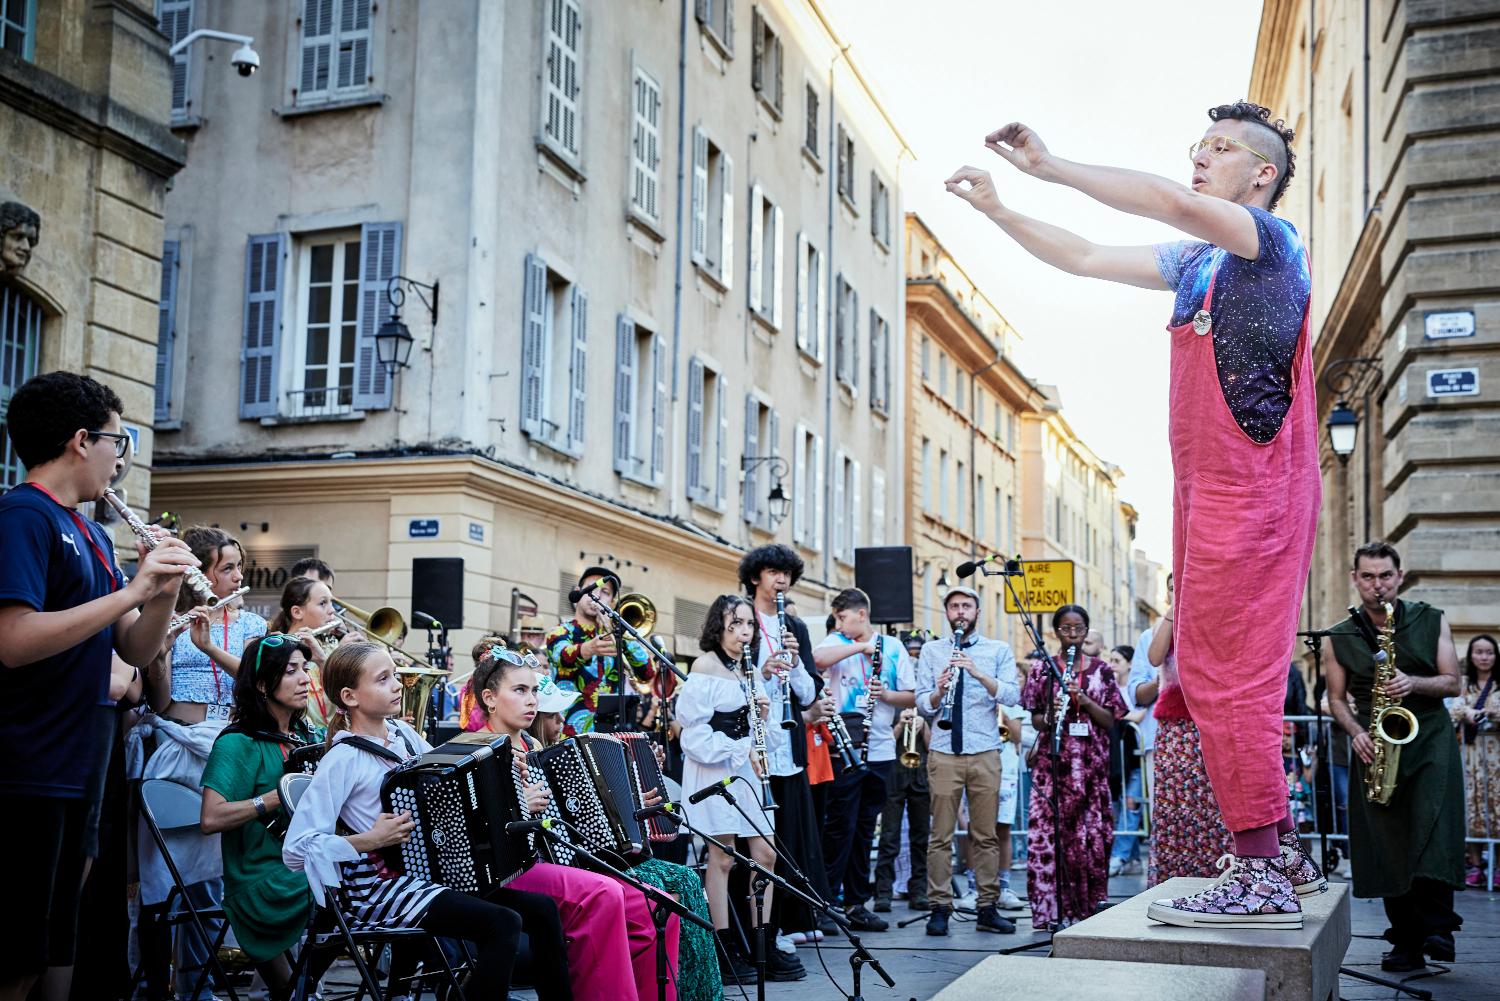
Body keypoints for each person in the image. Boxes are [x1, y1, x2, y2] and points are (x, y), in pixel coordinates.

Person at [948, 102, 1321, 925]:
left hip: (1250, 488)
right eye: (1197, 146)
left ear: (1261, 174)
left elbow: (1175, 203)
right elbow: (1082, 254)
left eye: (1220, 149)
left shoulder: (1269, 241)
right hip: (1208, 489)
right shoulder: (1197, 265)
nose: (1200, 159)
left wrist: (1051, 166)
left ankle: (1260, 869)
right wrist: (1003, 209)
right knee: (1207, 665)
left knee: (1232, 676)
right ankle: (1278, 854)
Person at [0, 371, 196, 1001]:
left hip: (84, 757)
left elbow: (134, 647)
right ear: (82, 441)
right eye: (119, 441)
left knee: (58, 943)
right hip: (28, 763)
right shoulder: (22, 516)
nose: (121, 459)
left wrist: (159, 595)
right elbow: (14, 639)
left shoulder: (91, 532)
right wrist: (133, 591)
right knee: (15, 952)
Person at [282, 641, 565, 1000]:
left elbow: (452, 788)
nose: (398, 685)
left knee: (542, 911)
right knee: (503, 923)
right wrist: (368, 839)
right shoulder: (342, 758)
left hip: (426, 873)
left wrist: (508, 783)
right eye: (383, 679)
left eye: (395, 676)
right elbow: (295, 850)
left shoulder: (404, 736)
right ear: (350, 696)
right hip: (376, 888)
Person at [463, 645, 688, 1001]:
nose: (531, 700)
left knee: (661, 908)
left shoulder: (537, 745)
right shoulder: (474, 749)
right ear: (489, 698)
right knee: (603, 894)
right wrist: (518, 808)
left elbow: (577, 813)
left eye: (534, 690)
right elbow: (473, 833)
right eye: (520, 691)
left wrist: (627, 804)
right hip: (513, 867)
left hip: (560, 859)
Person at [1323, 541, 1466, 972]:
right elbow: (1336, 699)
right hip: (1375, 739)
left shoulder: (1431, 619)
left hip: (1429, 738)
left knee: (1434, 827)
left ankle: (1438, 927)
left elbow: (1453, 683)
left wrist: (1413, 684)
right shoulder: (1338, 635)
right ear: (1355, 579)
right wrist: (1356, 732)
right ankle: (1405, 941)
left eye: (1385, 576)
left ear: (1399, 577)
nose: (1377, 585)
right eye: (1368, 577)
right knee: (1387, 841)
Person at [676, 594, 792, 985]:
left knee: (766, 855)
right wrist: (742, 745)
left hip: (747, 771)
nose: (744, 632)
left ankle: (763, 943)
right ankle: (723, 946)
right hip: (715, 773)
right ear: (718, 626)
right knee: (721, 858)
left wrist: (763, 716)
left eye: (748, 625)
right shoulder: (704, 668)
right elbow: (692, 737)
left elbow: (768, 738)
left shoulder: (750, 671)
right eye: (735, 624)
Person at [198, 634, 320, 997]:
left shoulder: (303, 735)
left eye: (305, 669)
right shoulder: (238, 741)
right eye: (290, 671)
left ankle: (302, 987)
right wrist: (272, 798)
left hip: (298, 865)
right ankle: (300, 989)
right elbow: (211, 819)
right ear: (264, 684)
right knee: (343, 887)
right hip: (259, 877)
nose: (303, 679)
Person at [915, 585, 1020, 935]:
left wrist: (977, 673)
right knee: (940, 835)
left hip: (985, 750)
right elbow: (921, 704)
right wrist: (938, 690)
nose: (961, 612)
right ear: (947, 613)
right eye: (954, 606)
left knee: (985, 835)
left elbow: (1012, 693)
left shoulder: (997, 650)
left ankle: (987, 906)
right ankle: (939, 907)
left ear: (977, 611)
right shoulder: (931, 651)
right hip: (944, 750)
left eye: (967, 606)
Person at [740, 544, 827, 964]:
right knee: (756, 839)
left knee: (788, 835)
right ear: (756, 576)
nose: (781, 581)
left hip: (786, 743)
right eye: (773, 572)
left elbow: (810, 690)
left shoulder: (794, 624)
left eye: (786, 574)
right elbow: (733, 676)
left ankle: (790, 921)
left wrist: (793, 660)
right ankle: (757, 926)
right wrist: (764, 667)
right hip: (751, 741)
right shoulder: (740, 619)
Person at [812, 588, 916, 931]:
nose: (839, 622)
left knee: (863, 828)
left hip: (881, 747)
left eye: (843, 616)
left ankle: (857, 902)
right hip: (843, 747)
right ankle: (826, 902)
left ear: (861, 614)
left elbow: (912, 696)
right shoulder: (837, 640)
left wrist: (884, 694)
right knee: (839, 825)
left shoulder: (895, 647)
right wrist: (860, 647)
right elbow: (817, 660)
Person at [1021, 606, 1127, 929]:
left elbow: (1111, 720)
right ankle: (1052, 913)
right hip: (1053, 768)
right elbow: (1035, 716)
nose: (1072, 635)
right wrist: (1049, 716)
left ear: (1086, 631)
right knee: (1050, 839)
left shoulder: (1102, 671)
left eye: (1078, 629)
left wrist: (1084, 699)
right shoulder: (1042, 669)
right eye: (1065, 629)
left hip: (1090, 770)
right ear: (1056, 632)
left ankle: (1089, 909)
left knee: (1091, 840)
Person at [544, 565, 654, 735]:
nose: (597, 595)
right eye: (592, 587)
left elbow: (647, 672)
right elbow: (562, 657)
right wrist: (588, 648)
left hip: (612, 734)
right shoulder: (559, 632)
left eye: (606, 592)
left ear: (611, 602)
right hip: (570, 732)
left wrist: (622, 632)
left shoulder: (617, 634)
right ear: (578, 592)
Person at [268, 575, 358, 732]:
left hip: (339, 735)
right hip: (298, 735)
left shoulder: (332, 645)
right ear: (297, 612)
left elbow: (351, 699)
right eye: (323, 603)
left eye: (331, 603)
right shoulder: (277, 648)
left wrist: (328, 660)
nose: (332, 611)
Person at [1450, 634, 1500, 887]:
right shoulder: (1464, 683)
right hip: (1469, 756)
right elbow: (1451, 707)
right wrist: (1467, 712)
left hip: (1496, 757)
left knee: (1497, 807)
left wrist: (1493, 712)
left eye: (1489, 652)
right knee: (1472, 807)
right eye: (1479, 652)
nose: (1484, 657)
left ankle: (1498, 867)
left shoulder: (1498, 684)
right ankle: (1476, 864)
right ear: (1471, 655)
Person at [1107, 644, 1145, 876]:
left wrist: (1115, 716)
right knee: (1118, 807)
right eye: (1110, 660)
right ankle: (1132, 860)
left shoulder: (1135, 688)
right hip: (1115, 758)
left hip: (1134, 755)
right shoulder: (1109, 688)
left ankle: (1119, 856)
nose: (1111, 665)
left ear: (1130, 664)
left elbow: (1138, 715)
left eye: (1116, 661)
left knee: (1132, 805)